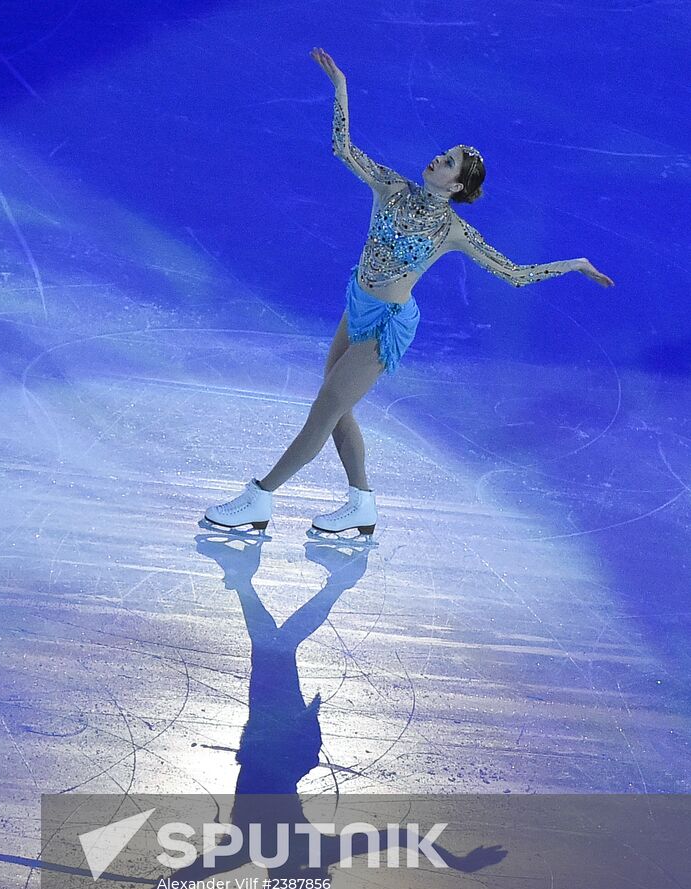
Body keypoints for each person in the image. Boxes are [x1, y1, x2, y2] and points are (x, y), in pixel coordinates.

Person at [204, 48, 614, 536]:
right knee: (336, 410)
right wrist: (341, 89)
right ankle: (361, 504)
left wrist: (573, 265)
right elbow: (344, 149)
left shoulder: (454, 231)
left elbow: (514, 274)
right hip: (356, 304)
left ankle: (259, 498)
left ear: (458, 185)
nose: (439, 158)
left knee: (324, 412)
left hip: (384, 327)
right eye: (444, 154)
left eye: (450, 162)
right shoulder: (392, 188)